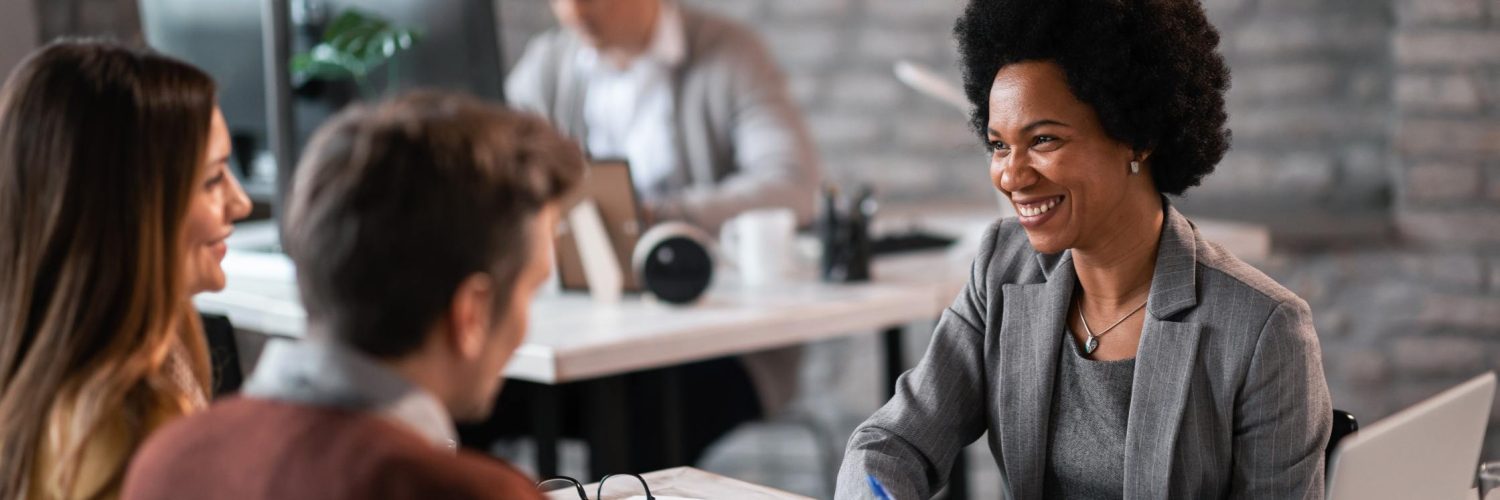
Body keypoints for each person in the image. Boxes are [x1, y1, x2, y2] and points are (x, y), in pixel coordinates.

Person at [836, 0, 1333, 498]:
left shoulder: (1264, 330)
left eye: (1044, 139)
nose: (1011, 175)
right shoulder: (1003, 270)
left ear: (1137, 139)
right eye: (999, 145)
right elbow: (891, 442)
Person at [121, 91, 584, 500]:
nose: (526, 325)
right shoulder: (468, 492)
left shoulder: (167, 459)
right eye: (530, 289)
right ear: (471, 313)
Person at [478, 0, 820, 471]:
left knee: (642, 427)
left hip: (717, 343)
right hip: (586, 332)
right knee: (468, 402)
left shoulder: (728, 52)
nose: (575, 15)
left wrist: (654, 217)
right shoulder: (550, 62)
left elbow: (790, 187)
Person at [0, 39, 252, 500]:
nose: (241, 202)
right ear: (126, 210)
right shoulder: (132, 431)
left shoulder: (57, 395)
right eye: (213, 179)